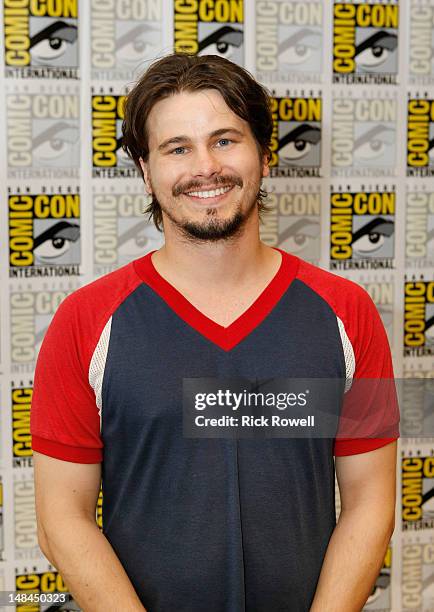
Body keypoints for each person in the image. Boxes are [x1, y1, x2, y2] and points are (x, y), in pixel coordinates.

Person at [31, 53, 399, 612]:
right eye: (177, 148)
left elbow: (371, 501)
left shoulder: (347, 311)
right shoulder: (85, 321)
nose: (206, 167)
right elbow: (62, 519)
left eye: (226, 140)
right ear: (145, 170)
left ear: (265, 155)